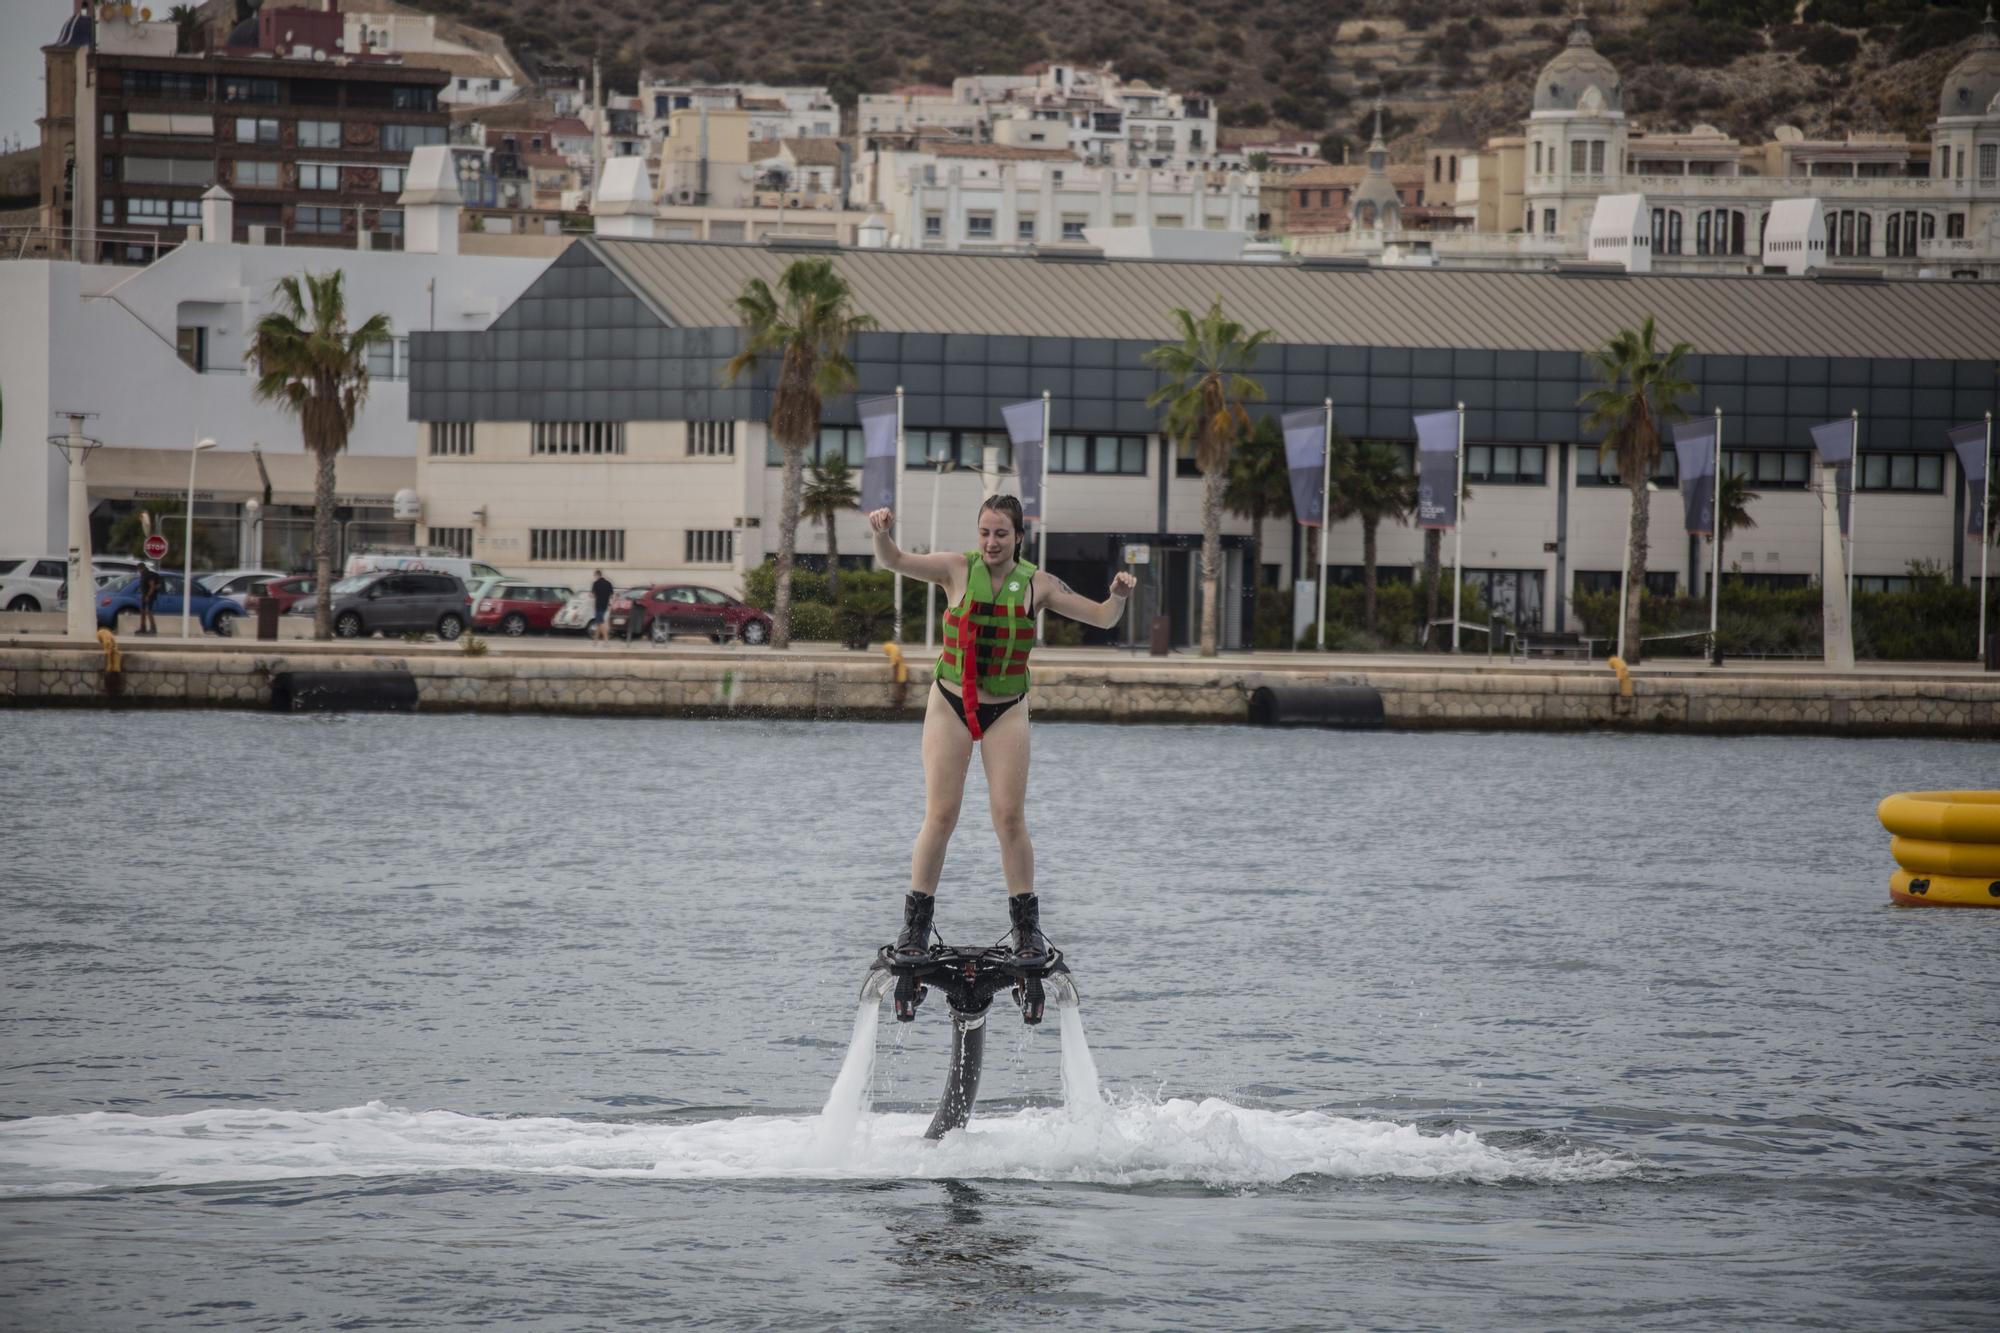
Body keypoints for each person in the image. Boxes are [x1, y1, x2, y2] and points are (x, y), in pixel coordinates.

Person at [868, 495, 1136, 963]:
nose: (991, 543)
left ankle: (1027, 931)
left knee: (1009, 817)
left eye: (1001, 534)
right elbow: (893, 560)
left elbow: (1102, 617)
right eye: (985, 533)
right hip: (951, 701)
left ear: (1018, 537)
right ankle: (915, 928)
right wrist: (882, 532)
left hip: (1007, 708)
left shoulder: (1040, 585)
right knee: (941, 815)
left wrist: (1118, 595)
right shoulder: (954, 569)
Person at [136, 563, 162, 636]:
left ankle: (153, 628)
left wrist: (148, 596)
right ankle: (143, 628)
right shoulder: (143, 575)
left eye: (139, 569)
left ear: (142, 568)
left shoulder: (149, 575)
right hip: (144, 595)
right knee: (143, 611)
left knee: (149, 611)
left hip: (149, 595)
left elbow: (152, 586)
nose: (139, 571)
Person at [589, 569, 613, 643]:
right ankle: (595, 640)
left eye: (594, 575)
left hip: (598, 605)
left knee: (600, 622)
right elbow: (611, 595)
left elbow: (592, 595)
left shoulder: (595, 583)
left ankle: (606, 639)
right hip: (605, 605)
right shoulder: (609, 583)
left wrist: (591, 595)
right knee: (598, 622)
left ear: (597, 575)